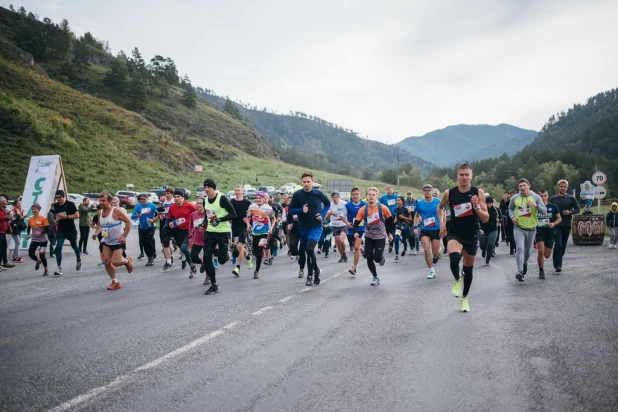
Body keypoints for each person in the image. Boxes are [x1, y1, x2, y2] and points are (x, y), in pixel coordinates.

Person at [438, 163, 489, 313]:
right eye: (461, 175)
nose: (464, 177)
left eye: (467, 174)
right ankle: (456, 280)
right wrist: (442, 224)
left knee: (468, 269)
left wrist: (477, 207)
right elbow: (440, 207)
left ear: (471, 176)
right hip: (455, 233)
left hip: (471, 234)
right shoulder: (449, 193)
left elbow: (485, 219)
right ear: (457, 176)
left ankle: (464, 298)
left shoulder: (477, 193)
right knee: (454, 256)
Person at [289, 170, 330, 287]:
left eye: (308, 181)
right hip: (303, 227)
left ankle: (310, 276)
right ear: (302, 182)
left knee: (309, 248)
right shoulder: (298, 195)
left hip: (316, 226)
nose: (306, 184)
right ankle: (316, 270)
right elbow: (291, 210)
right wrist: (301, 210)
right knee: (307, 251)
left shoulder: (318, 193)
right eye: (304, 182)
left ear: (313, 181)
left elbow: (327, 204)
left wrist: (322, 215)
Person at [92, 192, 133, 290]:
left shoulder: (116, 211)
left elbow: (128, 222)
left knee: (116, 262)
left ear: (109, 201)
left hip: (118, 241)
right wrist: (96, 233)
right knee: (106, 261)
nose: (101, 202)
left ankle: (127, 261)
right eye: (100, 200)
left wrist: (124, 236)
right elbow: (99, 224)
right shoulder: (100, 213)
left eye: (103, 201)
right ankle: (115, 281)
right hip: (107, 241)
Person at [202, 179, 237, 295]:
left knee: (222, 260)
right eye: (205, 187)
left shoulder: (221, 198)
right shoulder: (205, 200)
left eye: (208, 187)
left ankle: (232, 251)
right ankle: (214, 284)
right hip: (210, 232)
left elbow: (233, 214)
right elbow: (207, 216)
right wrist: (203, 224)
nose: (206, 190)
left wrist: (219, 220)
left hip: (222, 232)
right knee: (207, 257)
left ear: (213, 188)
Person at [353, 187, 394, 285]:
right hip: (369, 235)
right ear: (366, 196)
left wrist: (390, 233)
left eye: (373, 195)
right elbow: (356, 223)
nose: (371, 196)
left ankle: (381, 257)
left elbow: (390, 221)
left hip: (380, 236)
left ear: (377, 197)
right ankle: (375, 277)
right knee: (369, 257)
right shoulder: (363, 210)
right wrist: (355, 231)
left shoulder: (383, 208)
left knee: (376, 257)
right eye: (369, 194)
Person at [508, 179, 547, 281]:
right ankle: (520, 271)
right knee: (520, 248)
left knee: (528, 251)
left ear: (529, 186)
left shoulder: (536, 197)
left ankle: (524, 263)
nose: (522, 188)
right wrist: (512, 218)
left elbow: (545, 211)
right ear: (518, 188)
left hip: (531, 228)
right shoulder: (515, 198)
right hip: (518, 227)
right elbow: (510, 209)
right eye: (520, 186)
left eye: (524, 185)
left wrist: (536, 205)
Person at [550, 179, 580, 273]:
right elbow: (549, 210)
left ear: (567, 188)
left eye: (564, 187)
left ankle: (558, 258)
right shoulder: (553, 198)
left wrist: (570, 212)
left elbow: (578, 209)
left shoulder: (571, 198)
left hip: (566, 224)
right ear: (558, 187)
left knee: (563, 244)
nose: (563, 188)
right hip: (556, 224)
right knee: (558, 243)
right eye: (561, 186)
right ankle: (558, 265)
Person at [166, 189, 197, 277]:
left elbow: (199, 213)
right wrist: (169, 223)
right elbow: (168, 218)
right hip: (178, 231)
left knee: (184, 248)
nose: (176, 199)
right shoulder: (172, 207)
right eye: (175, 197)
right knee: (184, 250)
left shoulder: (190, 205)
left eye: (178, 197)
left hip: (189, 230)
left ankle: (195, 260)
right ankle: (192, 268)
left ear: (183, 198)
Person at [414, 184, 442, 279]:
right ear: (423, 192)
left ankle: (438, 252)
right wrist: (415, 227)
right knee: (426, 249)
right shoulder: (420, 203)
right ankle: (431, 270)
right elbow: (416, 215)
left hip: (436, 229)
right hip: (425, 229)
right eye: (425, 190)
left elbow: (444, 213)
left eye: (429, 190)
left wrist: (443, 225)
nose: (427, 192)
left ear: (431, 191)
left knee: (435, 253)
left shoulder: (438, 201)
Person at [52, 190, 82, 276]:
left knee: (74, 246)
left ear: (63, 196)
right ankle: (59, 267)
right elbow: (57, 215)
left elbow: (77, 215)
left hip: (70, 229)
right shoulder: (56, 205)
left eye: (60, 197)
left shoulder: (70, 204)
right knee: (58, 246)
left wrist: (66, 217)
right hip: (61, 229)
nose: (58, 199)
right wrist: (56, 220)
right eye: (56, 198)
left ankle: (78, 258)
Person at [247, 191, 274, 279]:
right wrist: (248, 224)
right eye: (257, 198)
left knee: (259, 251)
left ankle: (257, 271)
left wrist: (271, 228)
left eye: (260, 198)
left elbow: (273, 219)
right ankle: (260, 261)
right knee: (256, 252)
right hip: (255, 232)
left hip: (265, 232)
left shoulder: (268, 208)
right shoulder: (252, 207)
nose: (258, 199)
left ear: (264, 199)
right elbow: (248, 217)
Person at [535, 189, 562, 279]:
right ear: (539, 196)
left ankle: (542, 257)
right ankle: (541, 271)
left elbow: (559, 218)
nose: (543, 198)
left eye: (545, 196)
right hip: (539, 232)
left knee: (547, 255)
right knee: (540, 251)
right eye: (541, 196)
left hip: (550, 232)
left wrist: (553, 223)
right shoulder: (536, 206)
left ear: (548, 196)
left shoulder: (553, 206)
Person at [230, 185, 253, 276]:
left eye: (238, 190)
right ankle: (248, 257)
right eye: (235, 190)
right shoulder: (231, 202)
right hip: (234, 226)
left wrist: (248, 224)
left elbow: (250, 216)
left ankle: (237, 268)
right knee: (240, 247)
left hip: (243, 226)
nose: (236, 192)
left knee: (240, 246)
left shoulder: (247, 203)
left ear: (243, 191)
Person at [131, 194, 158, 266]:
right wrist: (137, 215)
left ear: (148, 199)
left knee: (148, 241)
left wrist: (153, 220)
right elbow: (132, 216)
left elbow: (158, 214)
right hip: (142, 227)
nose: (142, 201)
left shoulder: (152, 206)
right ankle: (149, 256)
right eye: (141, 199)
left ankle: (151, 256)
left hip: (151, 227)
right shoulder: (138, 206)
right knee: (144, 243)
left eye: (144, 199)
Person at [345, 187, 367, 276]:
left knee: (356, 247)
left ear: (360, 195)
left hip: (361, 228)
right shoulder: (347, 205)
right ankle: (363, 249)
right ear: (351, 195)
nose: (355, 196)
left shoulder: (365, 205)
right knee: (356, 246)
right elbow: (343, 216)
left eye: (357, 194)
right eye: (353, 194)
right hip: (351, 229)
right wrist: (346, 222)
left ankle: (354, 268)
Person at [26, 203, 50, 276]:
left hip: (43, 240)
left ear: (38, 209)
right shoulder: (30, 219)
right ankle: (37, 261)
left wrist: (41, 232)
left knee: (42, 255)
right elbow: (29, 227)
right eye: (33, 209)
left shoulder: (43, 218)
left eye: (35, 209)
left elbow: (47, 230)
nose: (34, 210)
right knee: (30, 253)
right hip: (35, 240)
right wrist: (28, 234)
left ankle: (46, 270)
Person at [325, 190, 349, 263]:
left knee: (341, 240)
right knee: (338, 242)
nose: (334, 199)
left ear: (338, 197)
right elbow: (326, 218)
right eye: (333, 197)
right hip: (335, 225)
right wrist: (329, 214)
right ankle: (342, 256)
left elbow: (349, 212)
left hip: (343, 224)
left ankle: (344, 253)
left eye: (335, 197)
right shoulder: (330, 204)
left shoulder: (344, 203)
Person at [478, 196, 501, 266]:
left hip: (493, 229)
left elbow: (501, 218)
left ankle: (488, 259)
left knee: (491, 245)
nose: (489, 205)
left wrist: (499, 220)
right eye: (487, 204)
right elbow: (477, 219)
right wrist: (479, 228)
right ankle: (483, 249)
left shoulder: (496, 210)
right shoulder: (482, 209)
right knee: (482, 244)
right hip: (483, 229)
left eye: (490, 203)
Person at [189, 198, 207, 281]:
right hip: (197, 239)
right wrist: (190, 235)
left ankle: (208, 277)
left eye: (201, 203)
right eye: (198, 203)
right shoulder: (193, 214)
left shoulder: (208, 214)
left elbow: (214, 225)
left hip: (207, 239)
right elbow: (191, 226)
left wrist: (204, 228)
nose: (199, 205)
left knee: (208, 259)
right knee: (193, 257)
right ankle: (202, 263)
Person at [379, 185, 399, 253]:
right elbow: (378, 204)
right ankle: (390, 239)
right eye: (388, 190)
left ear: (393, 190)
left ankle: (391, 245)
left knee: (392, 228)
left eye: (390, 190)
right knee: (387, 229)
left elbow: (401, 203)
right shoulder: (383, 197)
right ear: (386, 190)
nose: (389, 191)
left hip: (394, 215)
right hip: (386, 216)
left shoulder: (397, 196)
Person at [393, 196, 411, 261]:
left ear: (402, 201)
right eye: (397, 200)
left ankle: (405, 249)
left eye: (399, 200)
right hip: (398, 226)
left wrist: (403, 217)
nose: (397, 201)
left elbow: (410, 219)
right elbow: (396, 215)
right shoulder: (396, 209)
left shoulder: (406, 210)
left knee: (404, 240)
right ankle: (397, 254)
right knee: (396, 238)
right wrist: (395, 220)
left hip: (405, 225)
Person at [0, 196, 16, 269]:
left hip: (3, 231)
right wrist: (6, 217)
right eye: (4, 202)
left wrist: (9, 217)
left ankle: (5, 262)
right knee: (1, 248)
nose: (5, 204)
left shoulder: (3, 209)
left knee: (4, 247)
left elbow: (5, 217)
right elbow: (2, 218)